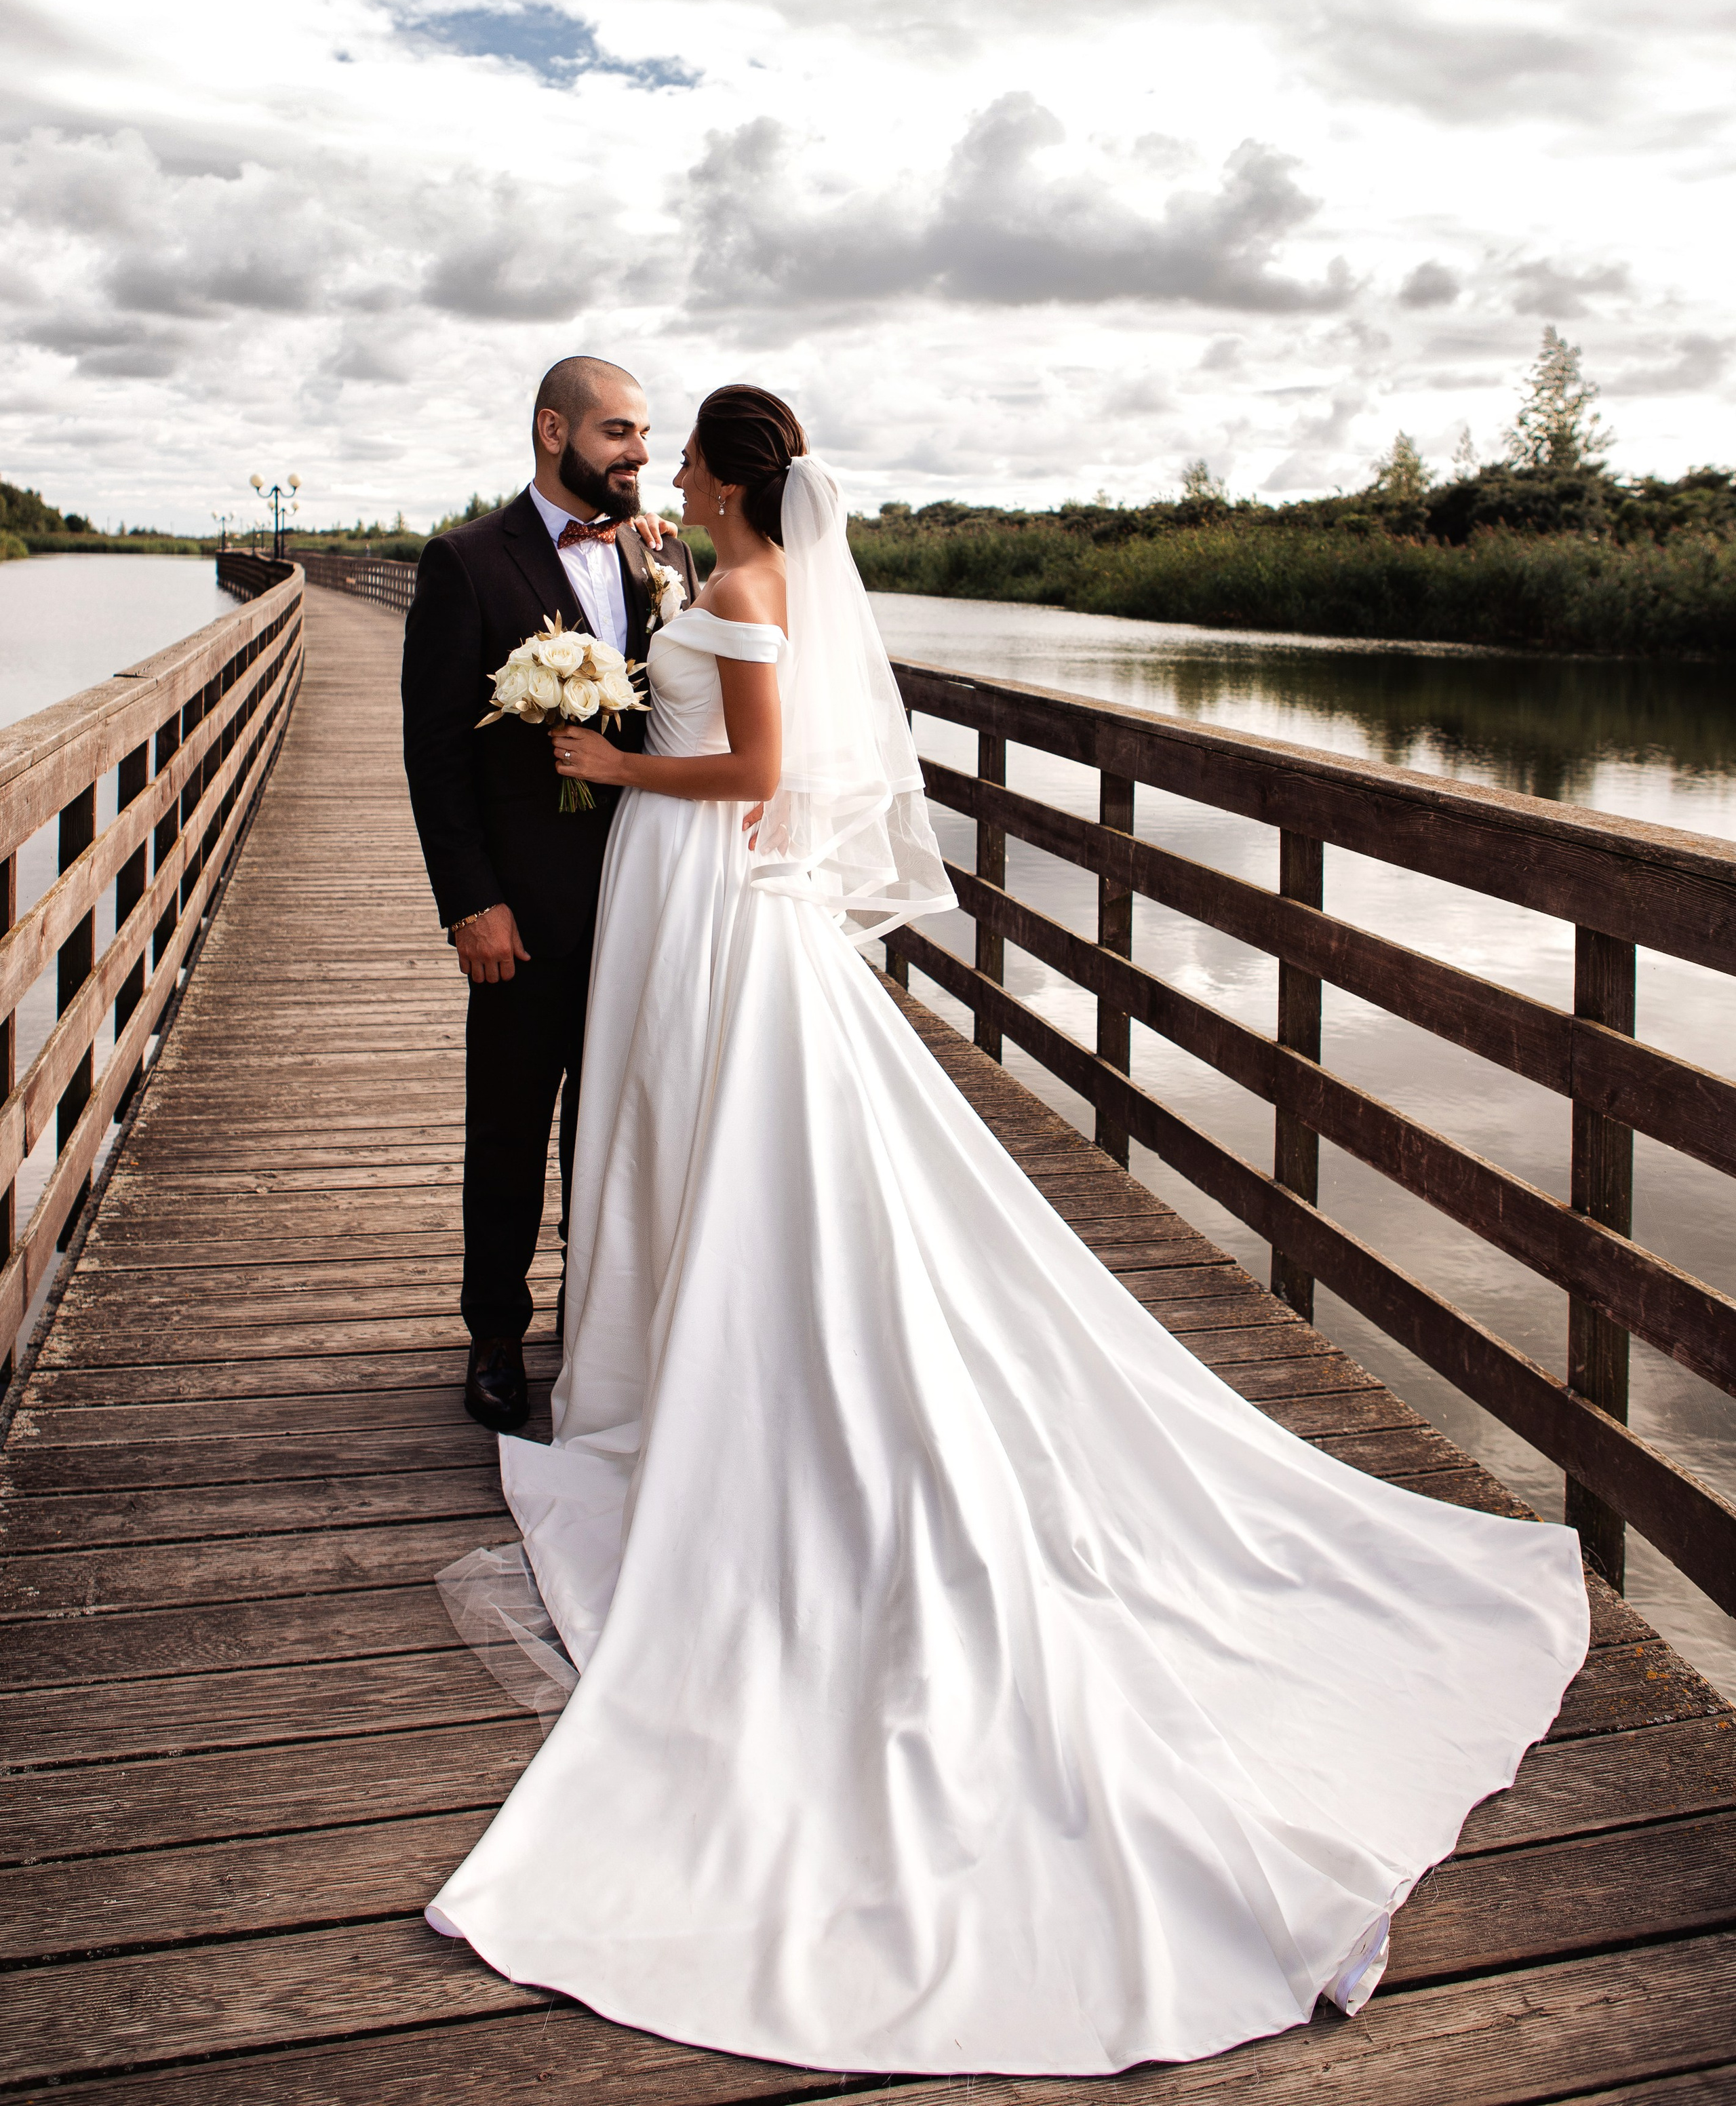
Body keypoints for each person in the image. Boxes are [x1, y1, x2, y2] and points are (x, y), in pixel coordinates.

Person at [425, 387, 1590, 2077]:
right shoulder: (704, 566)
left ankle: (741, 1375)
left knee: (753, 1154)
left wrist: (606, 752)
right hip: (677, 902)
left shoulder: (742, 592)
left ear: (736, 480)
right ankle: (669, 1344)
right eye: (639, 443)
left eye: (683, 454)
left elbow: (755, 767)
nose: (660, 466)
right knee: (679, 1147)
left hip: (708, 892)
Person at [401, 355, 698, 1432]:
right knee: (511, 1129)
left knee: (621, 1124)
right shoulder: (467, 563)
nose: (641, 454)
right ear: (552, 430)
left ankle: (600, 1328)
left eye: (647, 434)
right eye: (620, 432)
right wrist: (469, 901)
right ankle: (493, 1334)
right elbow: (434, 755)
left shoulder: (661, 554)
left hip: (649, 899)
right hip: (523, 908)